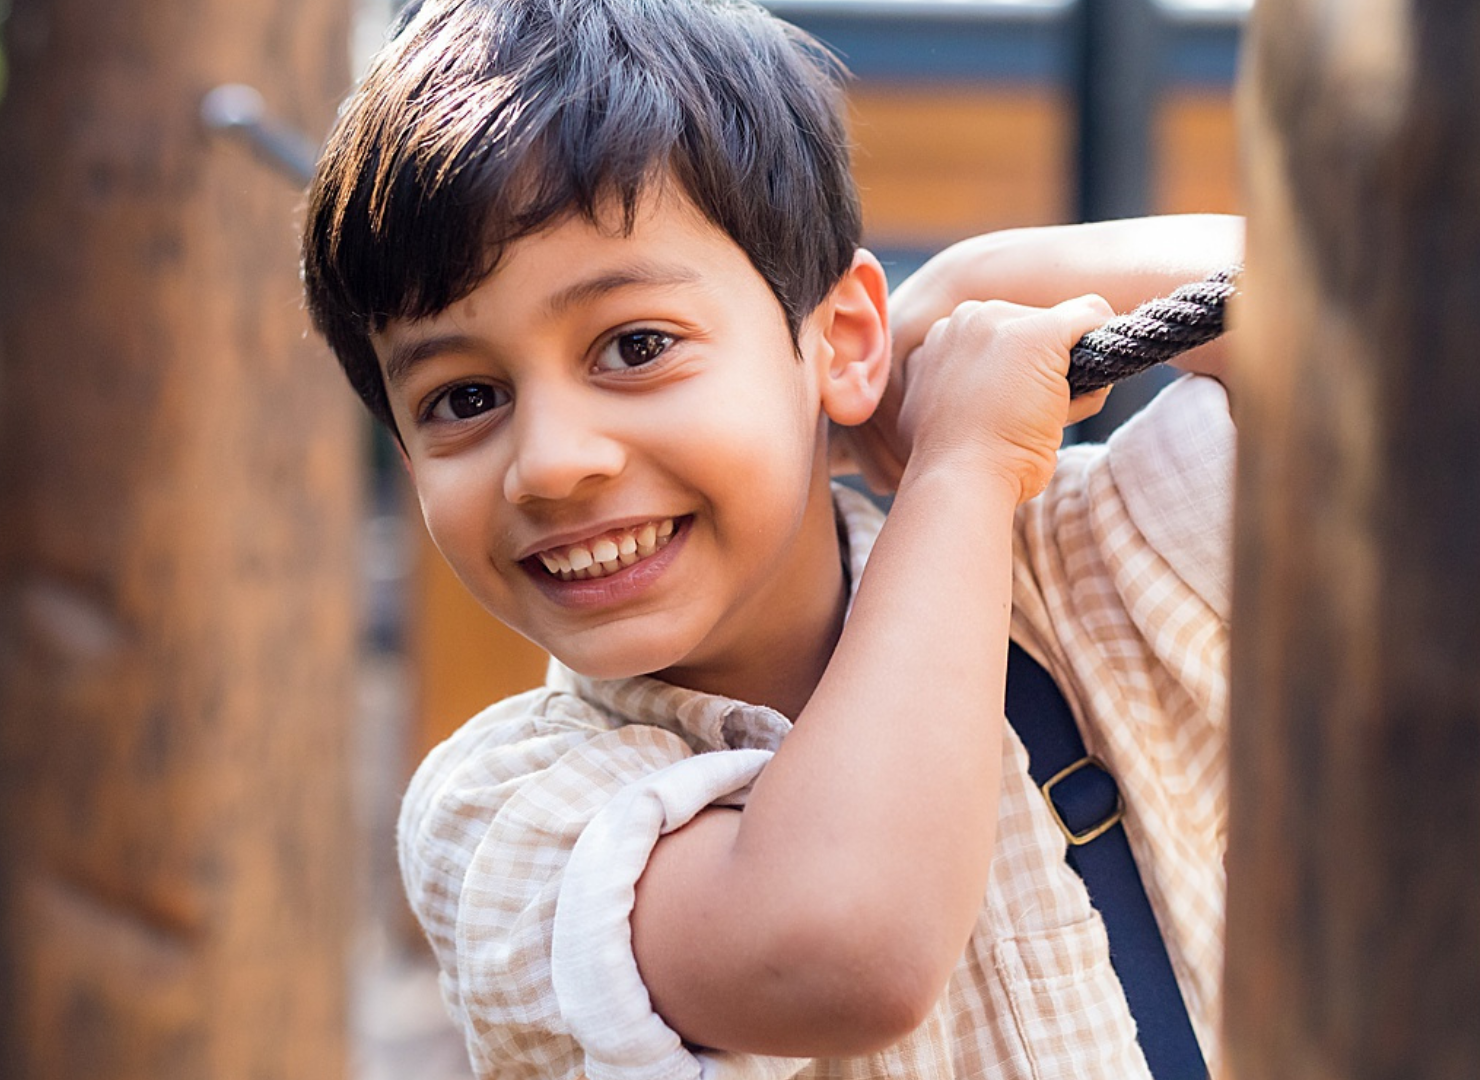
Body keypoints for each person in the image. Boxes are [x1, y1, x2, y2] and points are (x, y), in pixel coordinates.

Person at [301, 0, 1241, 1076]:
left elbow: (1361, 326)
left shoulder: (1076, 567)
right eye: (464, 399)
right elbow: (850, 948)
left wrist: (952, 295)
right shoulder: (503, 818)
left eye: (635, 346)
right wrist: (961, 468)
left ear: (840, 340)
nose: (551, 463)